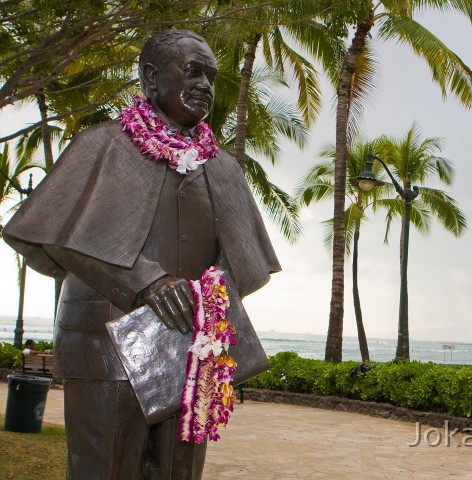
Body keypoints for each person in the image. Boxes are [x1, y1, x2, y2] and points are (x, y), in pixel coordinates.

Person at [3, 30, 280, 479]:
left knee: (178, 474)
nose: (205, 85)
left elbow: (247, 262)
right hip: (105, 346)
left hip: (193, 350)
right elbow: (49, 235)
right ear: (151, 77)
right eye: (193, 71)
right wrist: (146, 280)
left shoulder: (223, 168)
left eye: (211, 76)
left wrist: (210, 295)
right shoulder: (102, 144)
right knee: (105, 469)